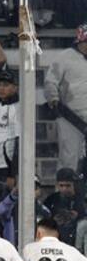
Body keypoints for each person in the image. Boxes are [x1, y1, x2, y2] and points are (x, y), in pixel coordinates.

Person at [44, 23, 87, 171]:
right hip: (70, 116)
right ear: (80, 41)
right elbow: (50, 81)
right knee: (69, 158)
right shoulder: (64, 57)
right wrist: (54, 100)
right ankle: (64, 192)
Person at [43, 167, 84, 246]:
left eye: (68, 186)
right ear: (57, 185)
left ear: (74, 185)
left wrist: (76, 217)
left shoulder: (81, 200)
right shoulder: (51, 199)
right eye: (61, 186)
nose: (64, 189)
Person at [0, 69, 19, 177]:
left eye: (6, 85)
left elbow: (17, 142)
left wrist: (12, 174)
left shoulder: (17, 108)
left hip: (6, 167)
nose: (1, 88)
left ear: (15, 87)